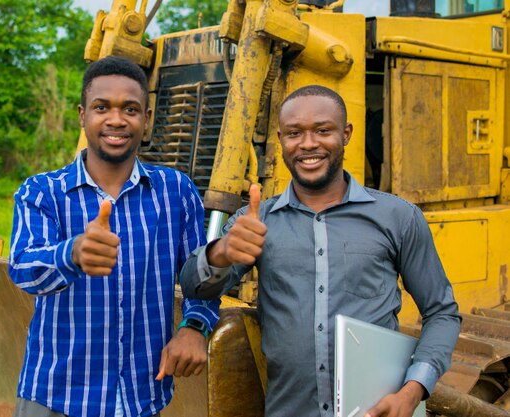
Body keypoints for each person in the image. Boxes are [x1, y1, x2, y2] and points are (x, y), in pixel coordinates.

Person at [180, 85, 461, 417]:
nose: (308, 144)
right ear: (281, 140)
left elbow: (442, 312)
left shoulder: (399, 217)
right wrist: (222, 252)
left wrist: (412, 392)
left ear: (346, 134)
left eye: (323, 131)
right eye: (294, 133)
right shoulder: (256, 220)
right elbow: (193, 285)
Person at [9, 56, 220, 417]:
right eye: (101, 107)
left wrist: (195, 326)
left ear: (147, 120)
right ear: (82, 116)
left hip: (140, 398)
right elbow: (23, 268)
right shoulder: (42, 192)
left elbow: (200, 277)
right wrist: (73, 253)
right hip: (55, 399)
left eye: (131, 109)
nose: (116, 119)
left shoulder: (176, 192)